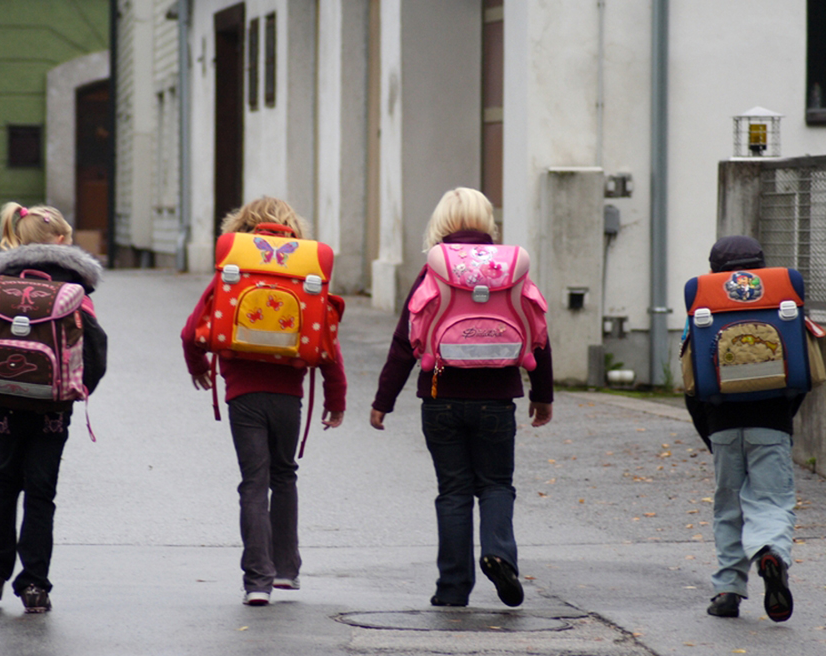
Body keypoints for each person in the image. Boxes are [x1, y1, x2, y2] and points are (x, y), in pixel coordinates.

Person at [369, 187, 553, 608]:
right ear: (487, 221)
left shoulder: (433, 270)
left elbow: (404, 340)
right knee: (496, 485)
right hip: (497, 397)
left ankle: (452, 589)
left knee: (452, 491)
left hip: (440, 397)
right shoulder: (511, 269)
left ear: (442, 222)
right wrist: (542, 394)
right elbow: (539, 333)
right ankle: (498, 553)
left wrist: (384, 400)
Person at [181, 197, 347, 606]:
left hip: (243, 394)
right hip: (288, 395)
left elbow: (190, 332)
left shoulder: (234, 271)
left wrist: (198, 366)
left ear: (243, 227)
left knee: (253, 483)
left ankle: (258, 581)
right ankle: (287, 570)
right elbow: (328, 343)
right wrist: (335, 398)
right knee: (284, 475)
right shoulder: (304, 272)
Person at [0, 202, 108, 613]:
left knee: (5, 480)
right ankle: (34, 585)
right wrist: (78, 389)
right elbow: (96, 350)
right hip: (53, 405)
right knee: (41, 492)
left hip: (4, 401)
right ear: (62, 239)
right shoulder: (74, 290)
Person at [685, 235, 800, 622]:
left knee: (728, 508)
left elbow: (691, 383)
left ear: (715, 269)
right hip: (772, 421)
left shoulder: (703, 304)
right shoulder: (783, 300)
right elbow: (803, 371)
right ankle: (771, 553)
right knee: (771, 500)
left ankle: (728, 591)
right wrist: (784, 415)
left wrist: (710, 434)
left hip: (721, 423)